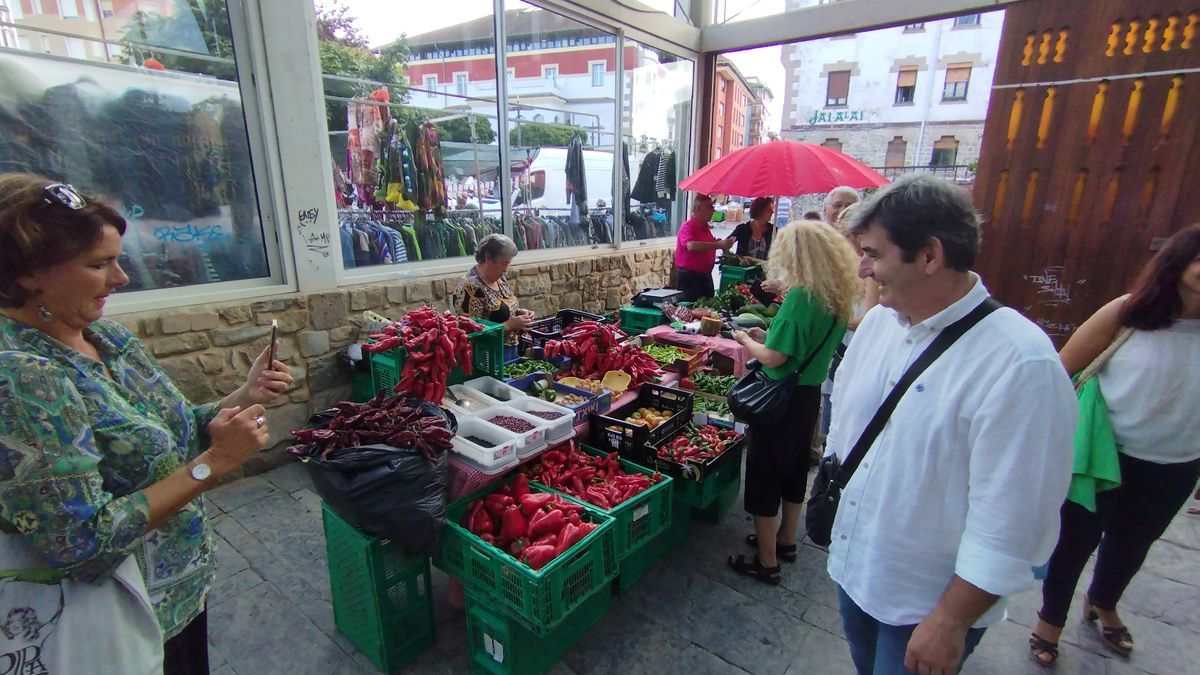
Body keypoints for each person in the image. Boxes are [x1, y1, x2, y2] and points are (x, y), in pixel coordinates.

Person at [0, 174, 293, 674]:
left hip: (178, 594)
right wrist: (215, 463)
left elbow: (165, 433)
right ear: (29, 275)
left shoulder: (105, 337)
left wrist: (242, 395)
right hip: (115, 619)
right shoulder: (22, 379)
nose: (122, 278)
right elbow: (80, 544)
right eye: (99, 264)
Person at [827, 175, 1076, 675]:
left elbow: (1015, 521)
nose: (862, 268)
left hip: (926, 606)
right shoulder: (878, 326)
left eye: (874, 253)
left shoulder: (1020, 363)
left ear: (929, 256)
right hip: (856, 571)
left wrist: (951, 620)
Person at [1028, 224, 1200, 666]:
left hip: (1177, 461)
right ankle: (1050, 620)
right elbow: (1062, 370)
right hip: (1103, 455)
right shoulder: (1128, 313)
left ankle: (1103, 600)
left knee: (1134, 543)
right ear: (1177, 263)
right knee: (1074, 541)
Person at [727, 220, 860, 584]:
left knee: (765, 474)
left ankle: (767, 562)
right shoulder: (836, 293)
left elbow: (773, 359)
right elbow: (804, 343)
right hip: (807, 396)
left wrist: (746, 340)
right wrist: (768, 334)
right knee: (794, 470)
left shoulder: (801, 297)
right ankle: (786, 540)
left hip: (779, 399)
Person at [454, 233, 533, 360]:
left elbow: (498, 309)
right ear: (488, 257)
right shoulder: (470, 286)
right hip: (488, 357)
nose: (506, 269)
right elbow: (470, 332)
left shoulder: (499, 278)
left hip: (509, 351)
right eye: (504, 263)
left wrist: (519, 313)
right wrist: (509, 325)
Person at [674, 194, 733, 301]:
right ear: (700, 208)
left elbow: (706, 245)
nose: (714, 210)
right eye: (710, 207)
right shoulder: (687, 227)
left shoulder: (705, 228)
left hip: (705, 277)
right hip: (690, 279)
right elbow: (691, 246)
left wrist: (720, 244)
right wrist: (717, 245)